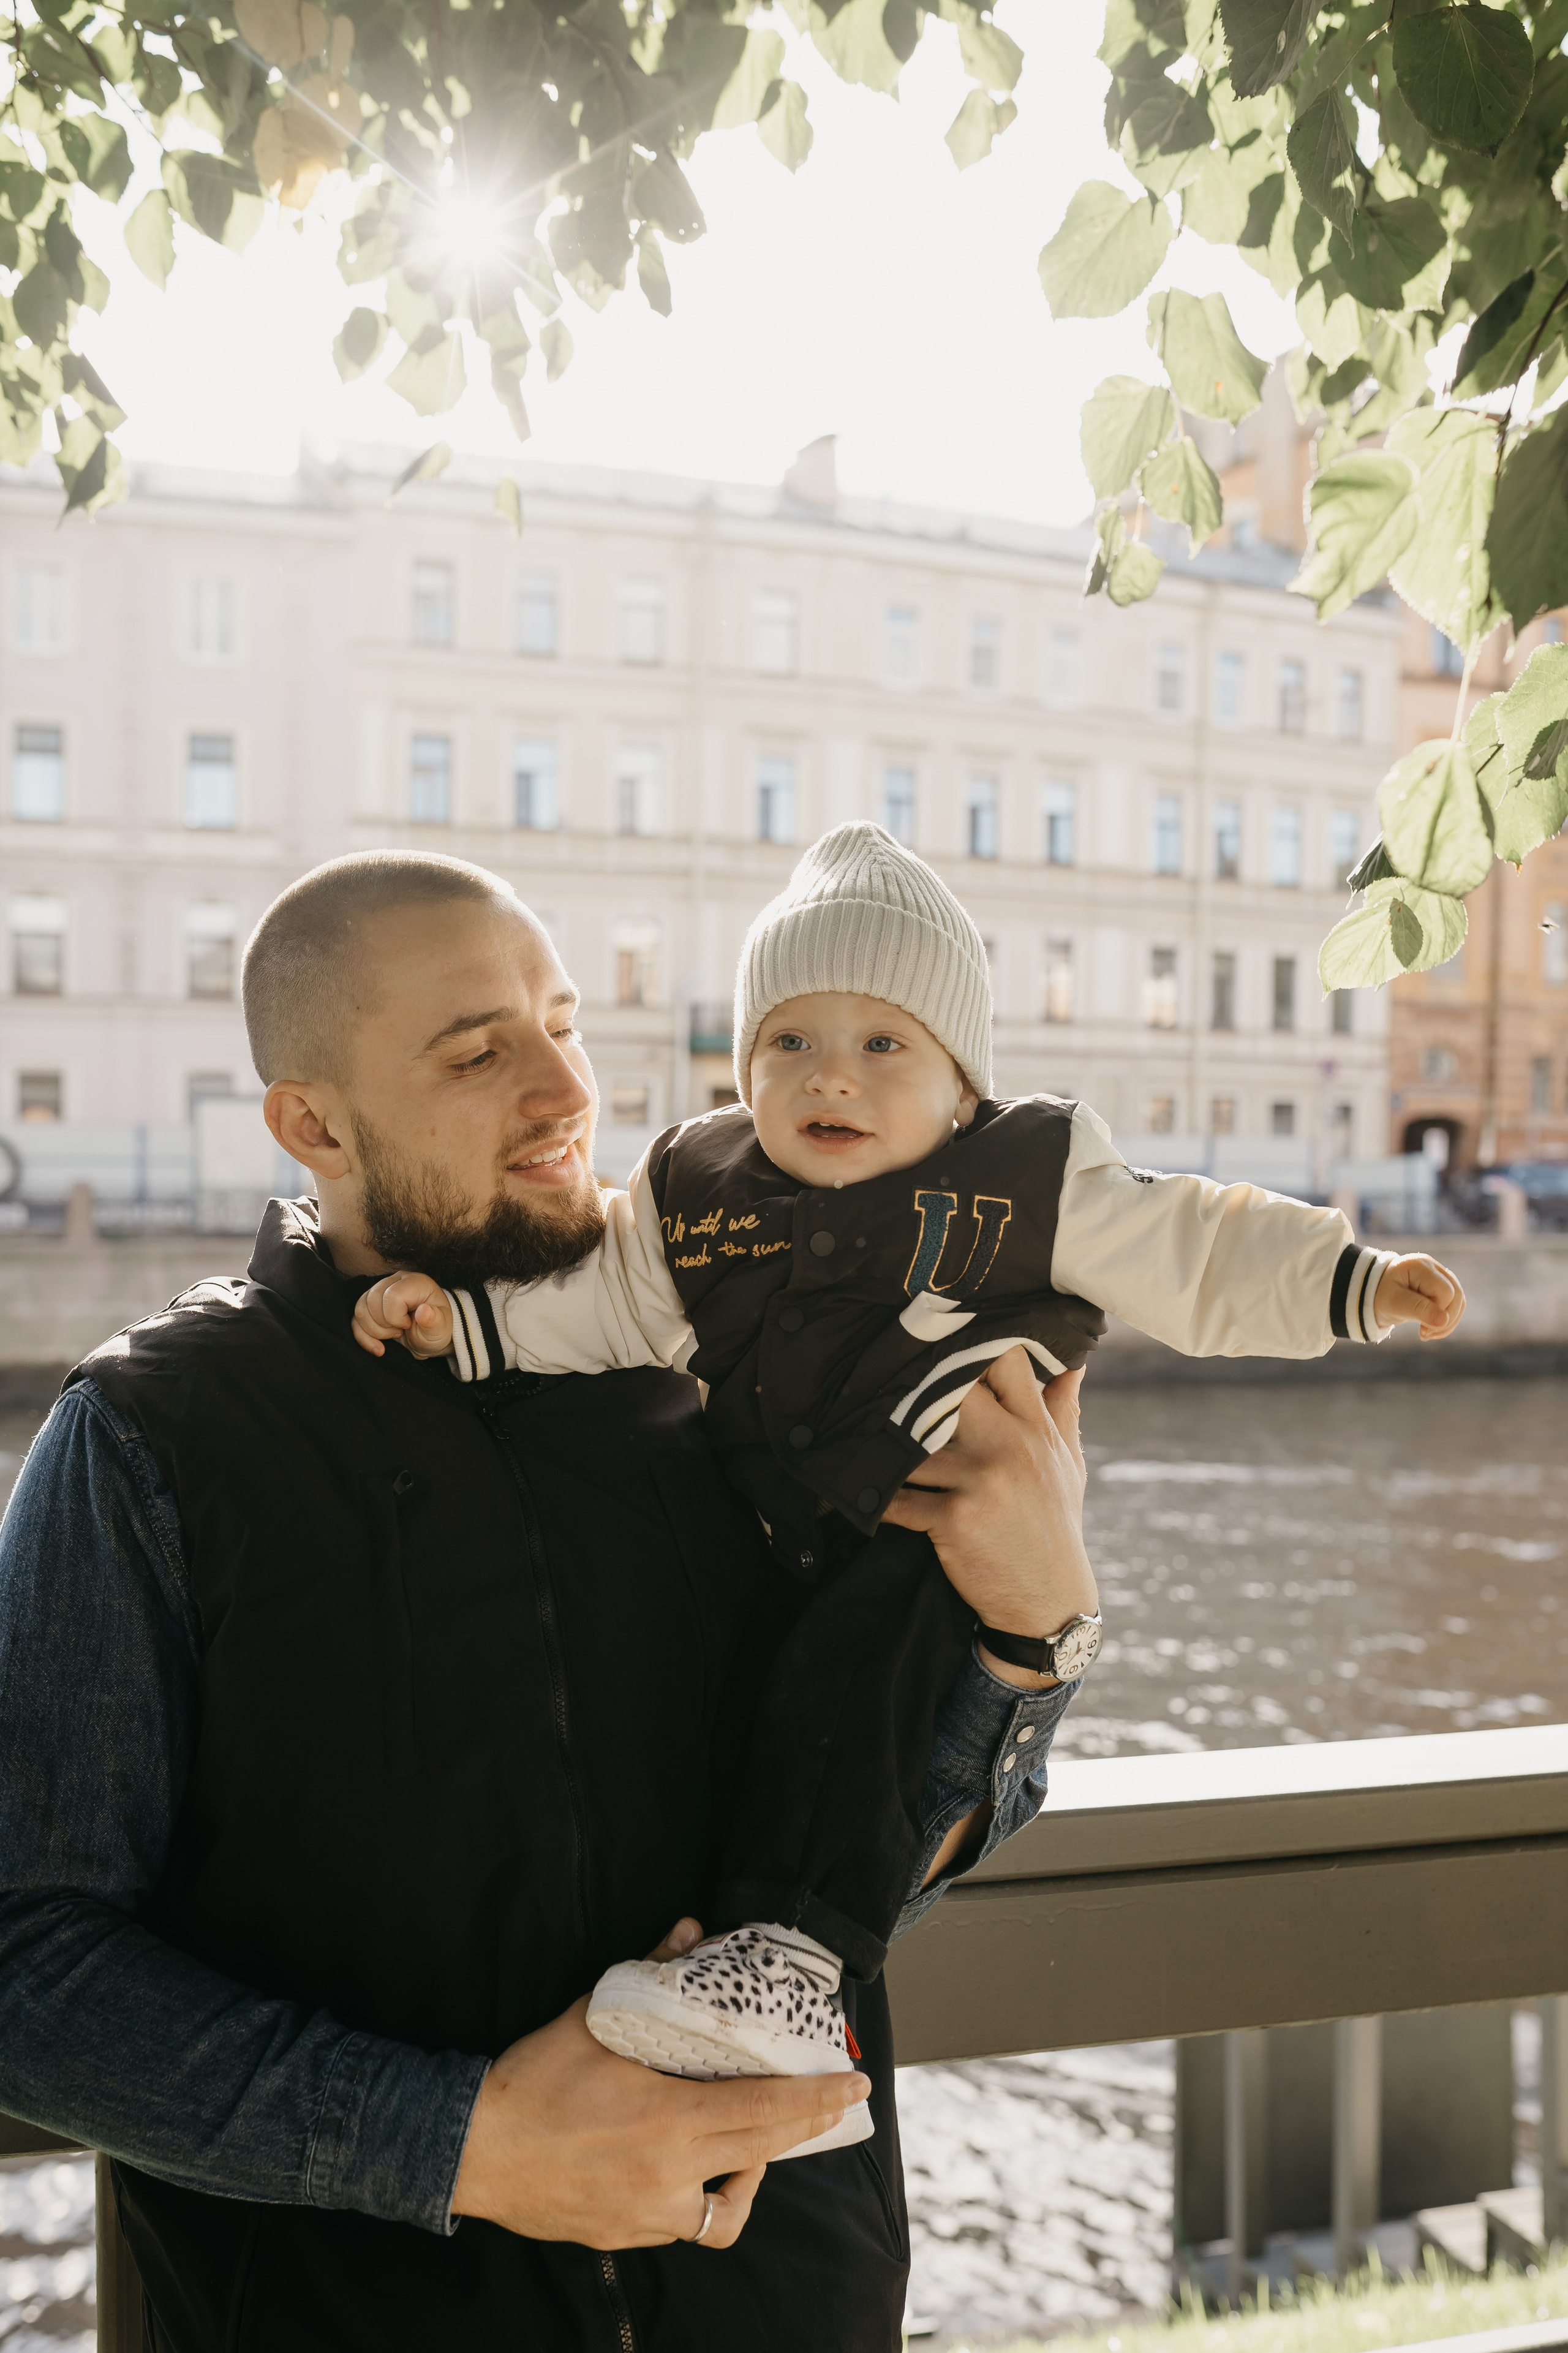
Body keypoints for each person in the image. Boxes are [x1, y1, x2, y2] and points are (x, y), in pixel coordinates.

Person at [0, 847, 1098, 2353]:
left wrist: (1032, 1639)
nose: (564, 1089)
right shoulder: (150, 1436)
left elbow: (858, 1863)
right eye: (479, 1051)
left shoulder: (726, 1379)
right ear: (311, 1122)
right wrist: (464, 2142)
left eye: (564, 1023)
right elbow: (27, 1964)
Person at [353, 819, 1468, 2099]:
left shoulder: (1024, 1173)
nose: (831, 1077)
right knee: (782, 1728)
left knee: (847, 1714)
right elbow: (605, 1300)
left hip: (926, 1524)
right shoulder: (694, 1187)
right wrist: (472, 1325)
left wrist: (1352, 1281)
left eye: (882, 1043)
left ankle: (795, 1963)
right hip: (776, 1533)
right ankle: (754, 2007)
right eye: (790, 1042)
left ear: (959, 1085)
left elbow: (1189, 1243)